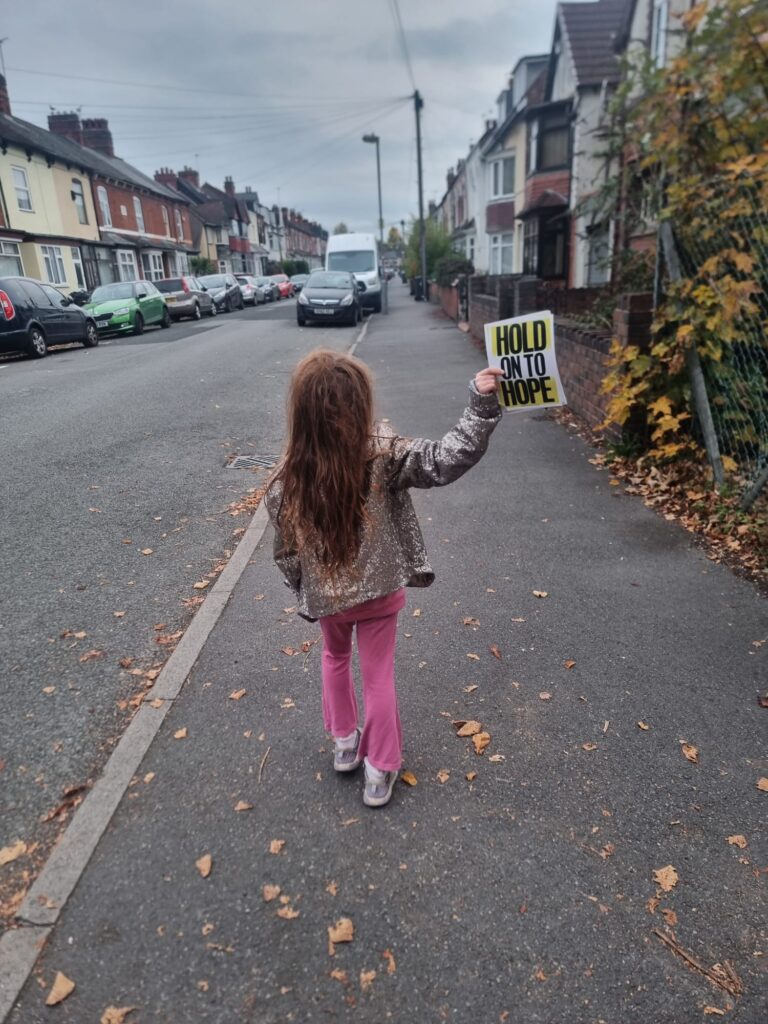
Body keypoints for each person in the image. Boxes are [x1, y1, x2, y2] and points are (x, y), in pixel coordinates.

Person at [265, 349, 503, 808]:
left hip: (328, 598)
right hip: (379, 593)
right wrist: (481, 406)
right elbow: (445, 458)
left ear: (300, 412)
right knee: (378, 675)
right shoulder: (383, 456)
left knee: (334, 658)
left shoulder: (285, 481)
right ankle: (380, 769)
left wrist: (304, 589)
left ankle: (344, 743)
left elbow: (286, 553)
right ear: (361, 405)